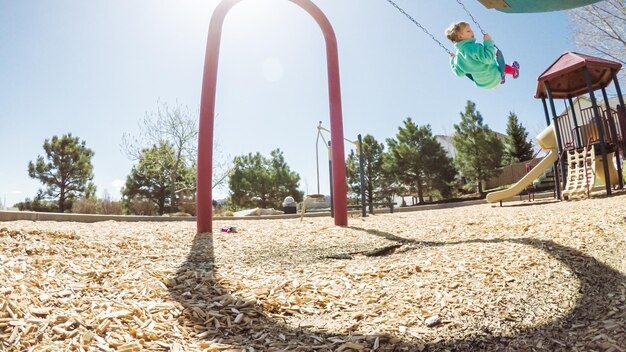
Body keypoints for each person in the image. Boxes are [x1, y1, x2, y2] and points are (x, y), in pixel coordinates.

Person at [445, 21, 519, 89]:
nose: (472, 32)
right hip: (495, 77)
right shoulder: (474, 48)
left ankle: (502, 78)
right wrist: (488, 42)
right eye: (468, 31)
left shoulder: (457, 59)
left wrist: (452, 60)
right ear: (460, 36)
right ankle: (514, 71)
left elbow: (459, 73)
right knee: (499, 66)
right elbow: (489, 58)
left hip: (483, 85)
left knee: (484, 69)